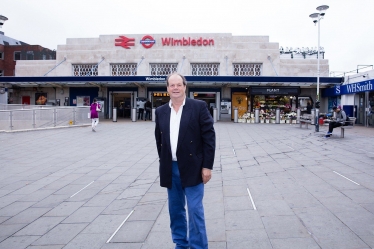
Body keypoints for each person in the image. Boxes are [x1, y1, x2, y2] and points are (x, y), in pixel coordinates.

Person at [154, 73, 216, 249]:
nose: (175, 88)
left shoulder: (198, 107)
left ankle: (198, 246)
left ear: (184, 87)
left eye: (178, 85)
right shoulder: (161, 111)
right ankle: (181, 243)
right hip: (170, 167)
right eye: (171, 85)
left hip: (193, 167)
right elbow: (160, 140)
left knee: (195, 210)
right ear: (167, 88)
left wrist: (207, 166)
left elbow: (209, 138)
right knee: (175, 210)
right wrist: (163, 161)